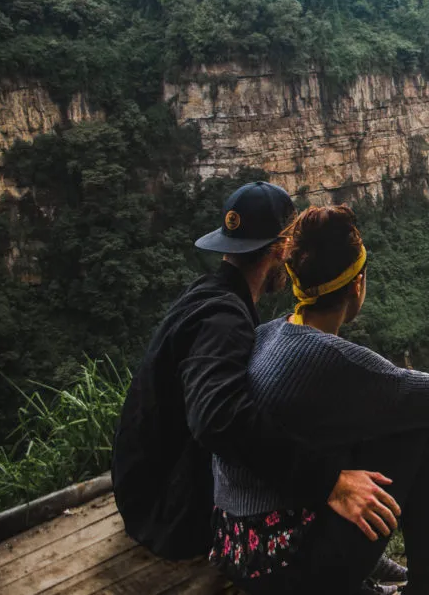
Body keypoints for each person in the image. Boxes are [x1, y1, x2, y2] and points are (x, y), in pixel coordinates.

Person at [112, 182, 406, 592]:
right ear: (281, 249)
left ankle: (362, 563)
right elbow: (216, 418)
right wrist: (328, 481)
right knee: (322, 430)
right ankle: (350, 569)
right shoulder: (223, 321)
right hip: (168, 513)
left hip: (148, 489)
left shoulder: (210, 295)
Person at [210, 205, 429, 595]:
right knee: (418, 429)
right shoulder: (330, 358)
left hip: (236, 546)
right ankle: (428, 587)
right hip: (282, 570)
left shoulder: (268, 333)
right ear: (357, 285)